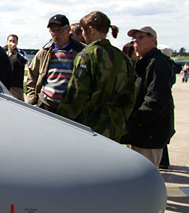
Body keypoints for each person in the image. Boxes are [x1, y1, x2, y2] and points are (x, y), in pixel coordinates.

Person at [57, 11, 135, 140]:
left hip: (89, 127)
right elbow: (130, 97)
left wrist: (63, 119)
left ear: (91, 30)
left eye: (82, 30)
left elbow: (77, 93)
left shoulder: (87, 56)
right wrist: (119, 118)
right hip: (115, 127)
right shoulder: (123, 58)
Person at [121, 26, 175, 169]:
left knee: (146, 176)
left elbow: (156, 99)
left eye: (141, 37)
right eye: (134, 38)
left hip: (150, 133)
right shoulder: (140, 62)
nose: (135, 42)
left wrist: (134, 121)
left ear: (153, 40)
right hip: (139, 133)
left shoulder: (157, 63)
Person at [25, 14, 86, 112]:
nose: (55, 34)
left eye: (59, 30)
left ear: (68, 30)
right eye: (52, 30)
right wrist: (32, 101)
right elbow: (31, 78)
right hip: (46, 104)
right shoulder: (45, 51)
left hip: (71, 108)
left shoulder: (81, 52)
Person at [6, 34, 28, 101]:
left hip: (17, 87)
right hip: (7, 86)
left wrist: (16, 51)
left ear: (17, 42)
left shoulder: (20, 53)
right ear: (7, 42)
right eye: (10, 41)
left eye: (14, 41)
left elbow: (23, 61)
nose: (12, 43)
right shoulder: (5, 55)